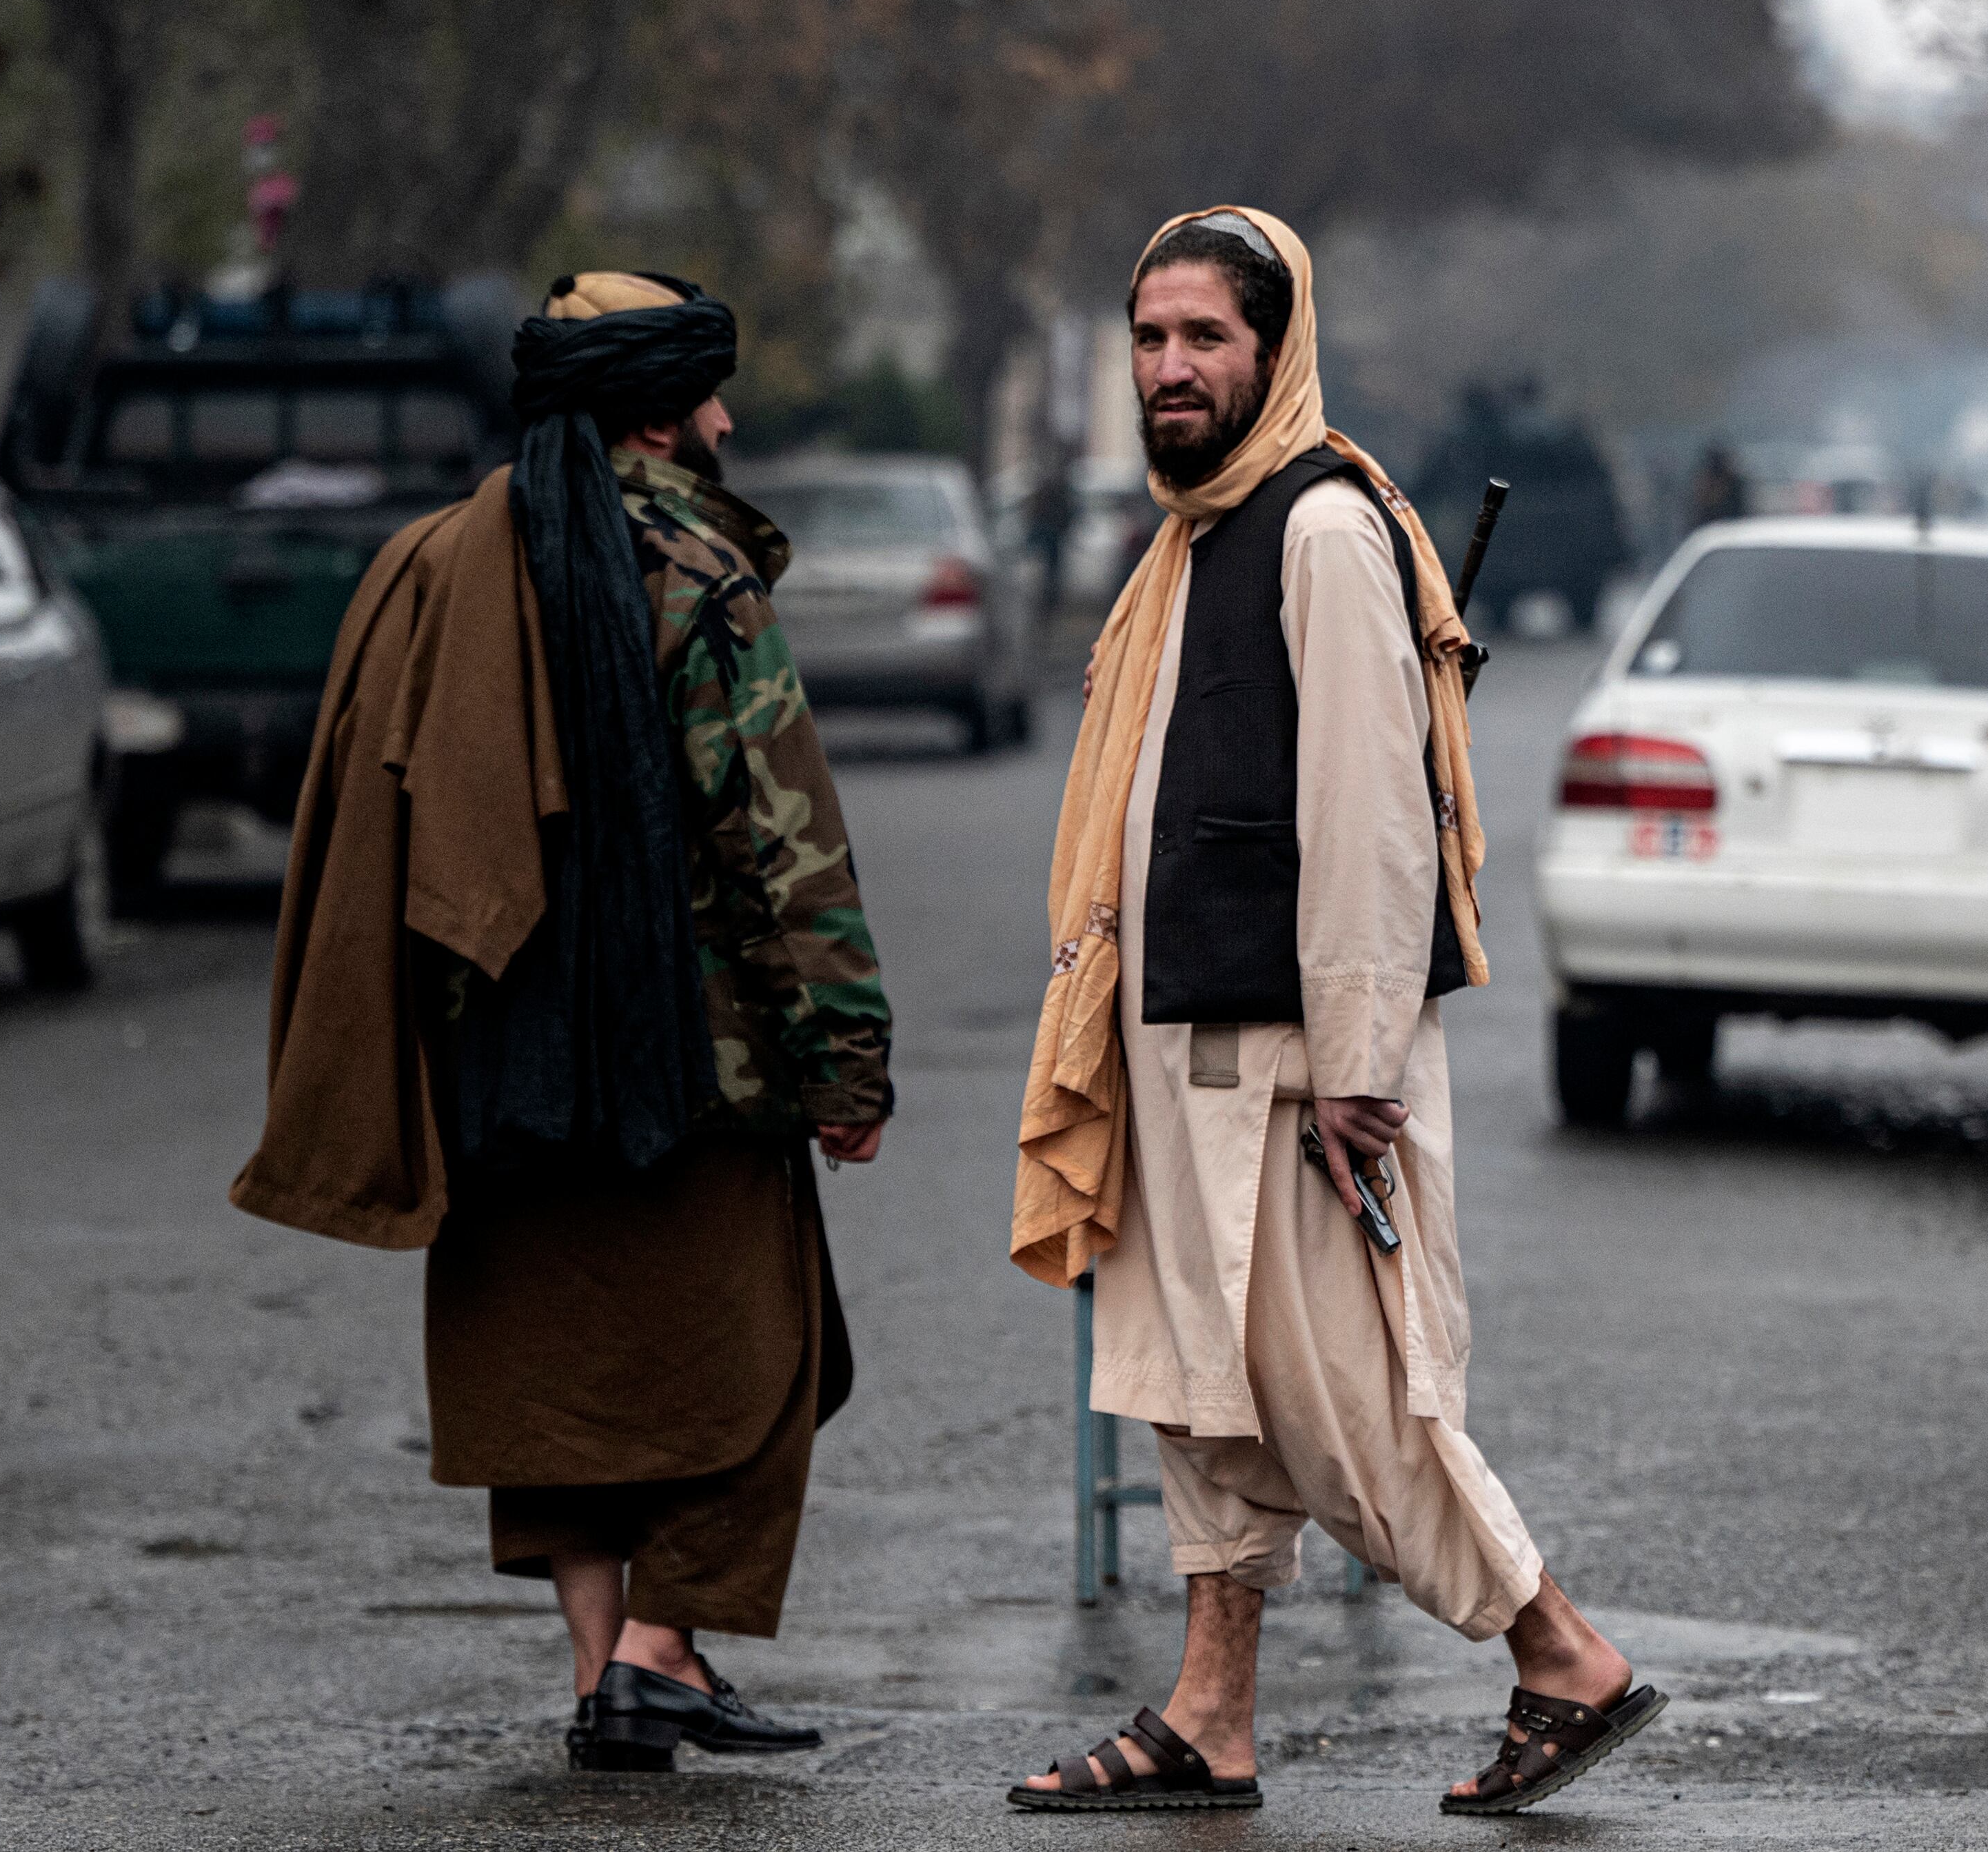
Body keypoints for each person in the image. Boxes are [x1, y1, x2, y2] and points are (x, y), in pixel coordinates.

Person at [1005, 208, 1660, 1817]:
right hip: (1175, 1050)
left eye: (1202, 339)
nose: (1169, 369)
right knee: (1198, 1398)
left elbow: (1372, 812)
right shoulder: (1191, 535)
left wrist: (1361, 1059)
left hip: (1297, 1069)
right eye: (1151, 339)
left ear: (1272, 350)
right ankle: (1206, 1717)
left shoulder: (1317, 530)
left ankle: (1558, 1651)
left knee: (1342, 1403)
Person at [230, 270, 894, 1774]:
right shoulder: (695, 569)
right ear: (651, 406)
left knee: (551, 1376)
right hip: (694, 1068)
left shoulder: (430, 563)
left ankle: (606, 1675)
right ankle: (661, 1648)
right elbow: (778, 835)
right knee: (770, 1357)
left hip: (494, 1059)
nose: (724, 419)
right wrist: (843, 1053)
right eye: (706, 393)